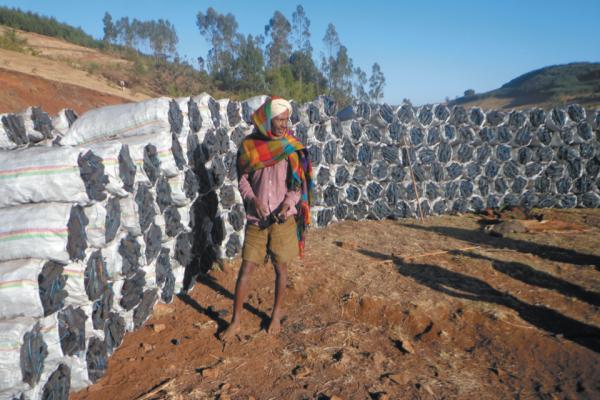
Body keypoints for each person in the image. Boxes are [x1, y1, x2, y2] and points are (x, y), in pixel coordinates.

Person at [219, 97, 313, 341]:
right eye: (279, 119)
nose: (284, 124)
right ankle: (236, 321)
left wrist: (287, 205)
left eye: (286, 119)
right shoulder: (250, 147)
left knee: (281, 269)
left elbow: (296, 185)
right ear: (267, 120)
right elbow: (242, 180)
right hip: (256, 220)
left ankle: (276, 314)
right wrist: (253, 200)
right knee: (246, 269)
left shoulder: (291, 147)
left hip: (282, 220)